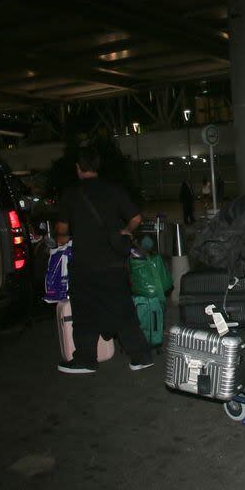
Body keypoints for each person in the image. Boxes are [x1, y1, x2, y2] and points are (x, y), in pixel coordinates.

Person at [55, 146, 153, 374]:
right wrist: (126, 231)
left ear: (79, 168)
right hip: (114, 263)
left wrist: (61, 241)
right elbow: (136, 217)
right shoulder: (114, 189)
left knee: (84, 314)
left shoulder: (71, 193)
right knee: (123, 310)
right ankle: (141, 356)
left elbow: (62, 231)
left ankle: (86, 360)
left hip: (85, 266)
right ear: (98, 167)